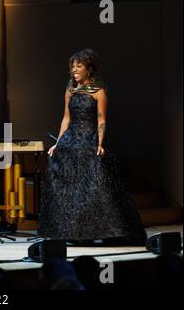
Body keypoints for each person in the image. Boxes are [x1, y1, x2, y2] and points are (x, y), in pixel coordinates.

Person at [37, 49, 146, 245]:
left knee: (92, 186)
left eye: (79, 66)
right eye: (73, 66)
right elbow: (66, 118)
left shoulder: (98, 91)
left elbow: (101, 119)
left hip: (88, 139)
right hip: (71, 140)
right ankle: (73, 233)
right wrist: (58, 143)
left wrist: (100, 143)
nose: (74, 70)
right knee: (64, 179)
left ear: (89, 69)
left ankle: (97, 231)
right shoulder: (70, 90)